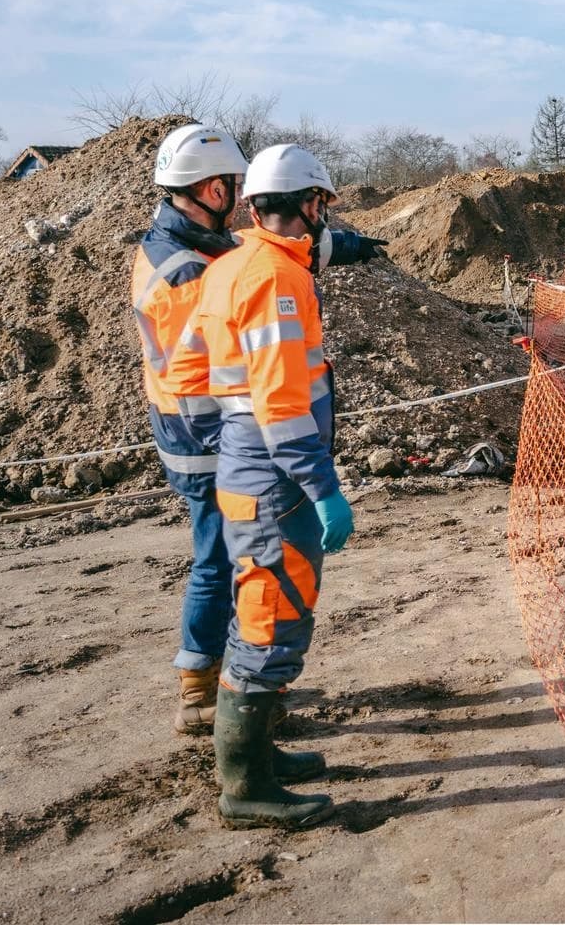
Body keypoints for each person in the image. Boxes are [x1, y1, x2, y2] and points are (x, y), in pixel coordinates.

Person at [131, 125, 385, 740]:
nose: (239, 195)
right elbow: (234, 369)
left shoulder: (195, 245)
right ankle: (205, 687)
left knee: (237, 558)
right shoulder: (191, 267)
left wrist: (361, 246)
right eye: (232, 186)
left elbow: (294, 244)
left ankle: (236, 677)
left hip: (212, 422)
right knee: (223, 558)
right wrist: (256, 450)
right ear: (213, 188)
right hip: (204, 427)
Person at [193, 143, 357, 827]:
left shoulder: (234, 266)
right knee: (271, 623)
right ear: (306, 205)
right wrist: (322, 487)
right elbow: (283, 403)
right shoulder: (275, 280)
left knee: (258, 612)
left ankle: (260, 755)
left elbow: (201, 373)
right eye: (321, 205)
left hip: (245, 464)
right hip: (275, 477)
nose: (324, 220)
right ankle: (245, 788)